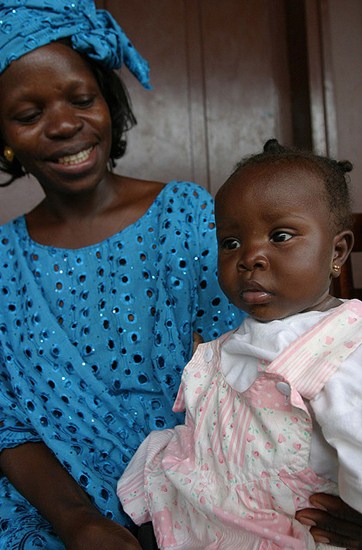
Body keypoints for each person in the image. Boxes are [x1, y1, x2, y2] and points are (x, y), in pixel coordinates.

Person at [0, 1, 246, 548]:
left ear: (109, 103)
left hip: (201, 478)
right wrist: (78, 521)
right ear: (4, 137)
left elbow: (251, 361)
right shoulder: (3, 261)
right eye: (27, 114)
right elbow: (6, 424)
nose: (64, 124)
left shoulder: (184, 215)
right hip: (50, 503)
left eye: (82, 99)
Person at [118, 139, 362, 549]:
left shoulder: (339, 348)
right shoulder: (231, 343)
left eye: (280, 236)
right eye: (231, 243)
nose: (250, 257)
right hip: (206, 520)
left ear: (337, 251)